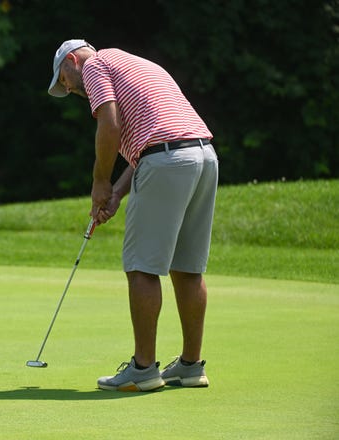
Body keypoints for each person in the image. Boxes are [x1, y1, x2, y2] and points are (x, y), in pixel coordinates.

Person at [48, 39, 218, 391]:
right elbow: (149, 144)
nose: (68, 88)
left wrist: (99, 182)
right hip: (202, 157)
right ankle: (190, 366)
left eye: (62, 79)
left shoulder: (94, 65)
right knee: (186, 267)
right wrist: (117, 194)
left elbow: (109, 126)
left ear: (71, 62)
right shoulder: (134, 64)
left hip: (168, 160)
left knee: (142, 266)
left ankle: (143, 369)